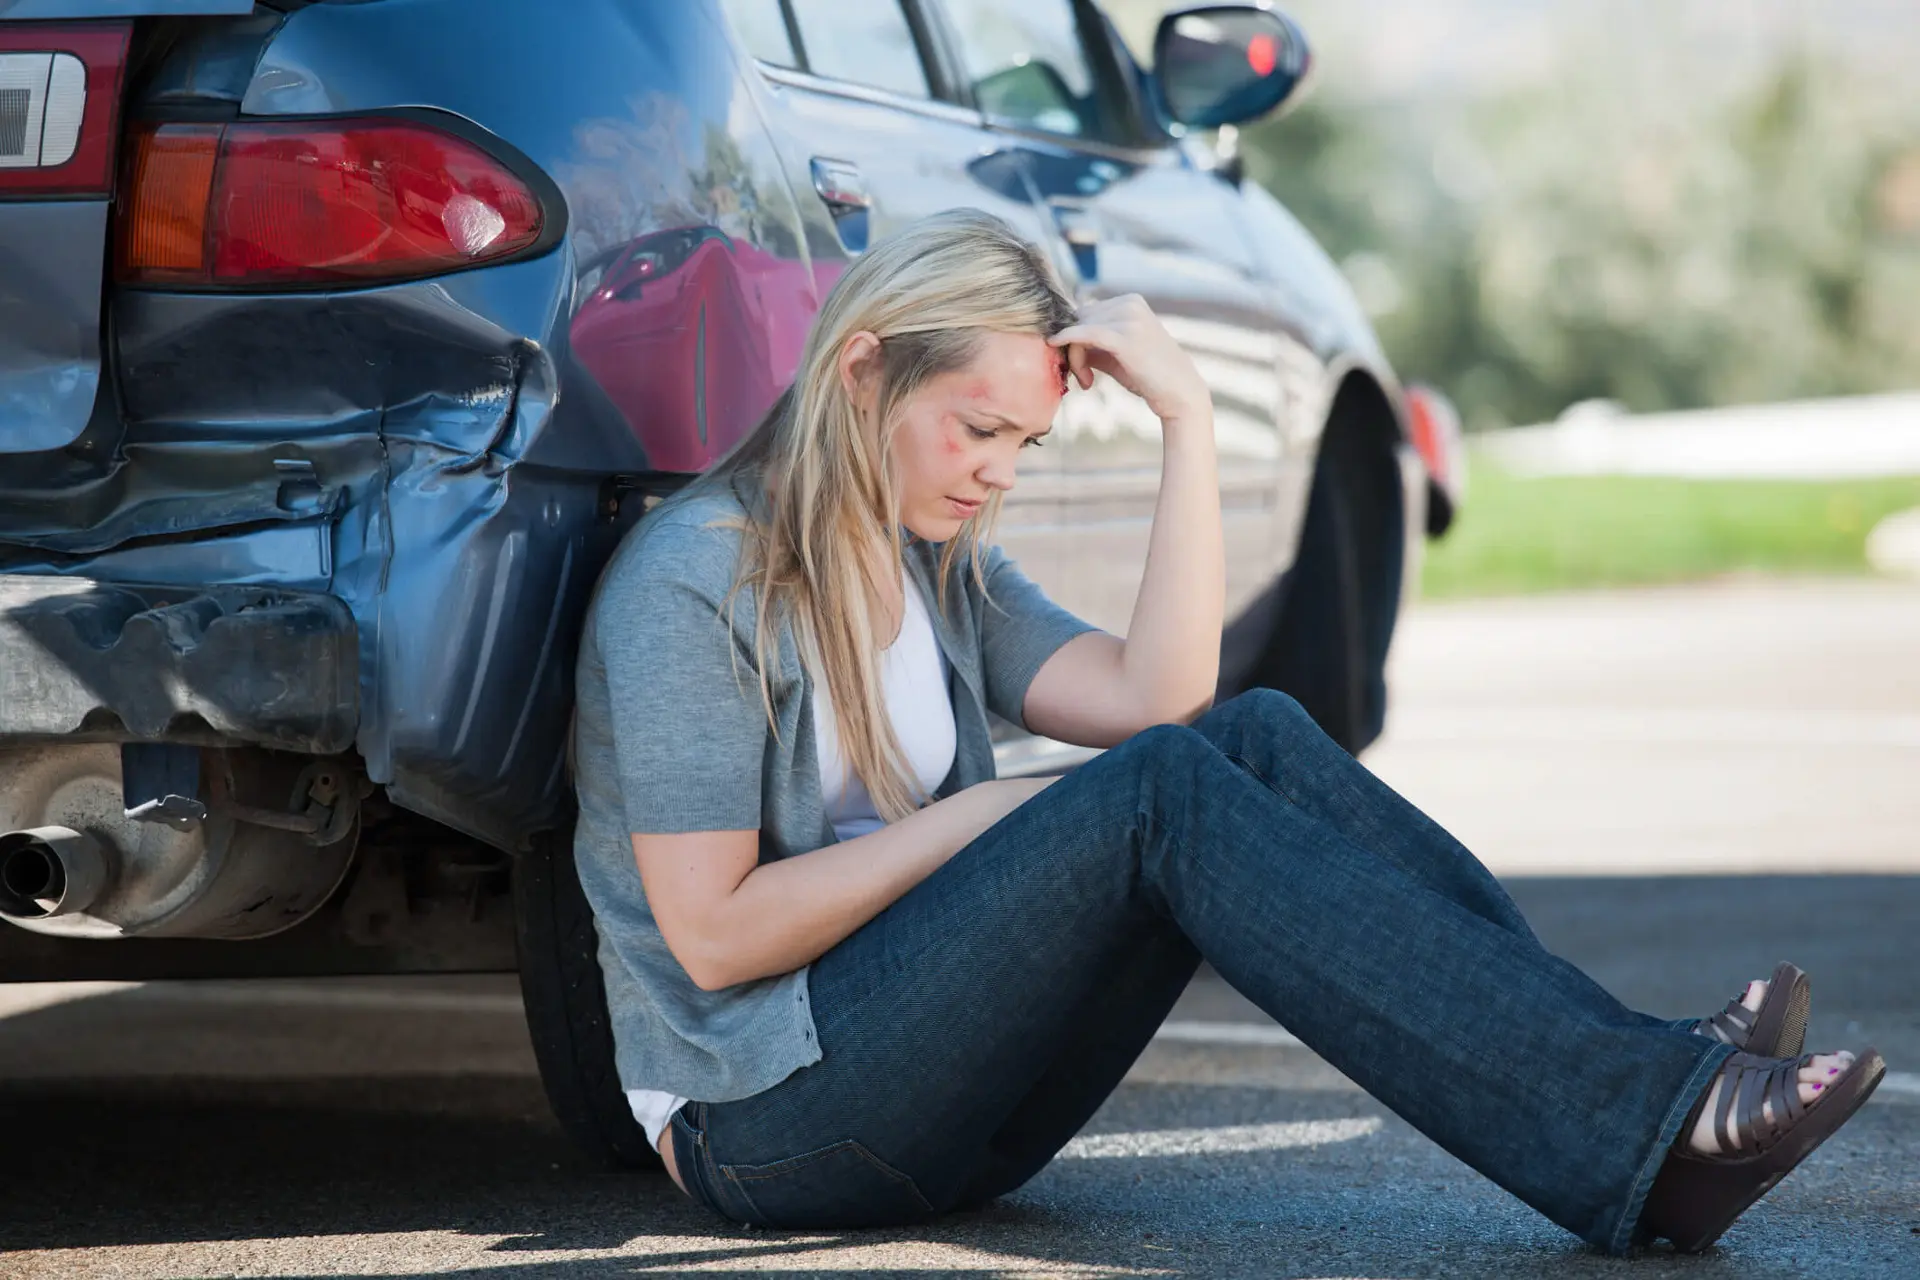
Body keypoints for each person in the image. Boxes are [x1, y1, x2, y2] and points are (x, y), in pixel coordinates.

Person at [568, 209, 1884, 1255]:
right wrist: (985, 815)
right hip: (763, 1120)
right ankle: (1644, 1117)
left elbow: (1163, 700)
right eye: (977, 429)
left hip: (941, 1104)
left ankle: (1628, 1083)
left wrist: (1188, 417)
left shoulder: (934, 561)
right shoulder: (698, 584)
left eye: (1023, 442)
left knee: (1243, 735)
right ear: (863, 373)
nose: (996, 474)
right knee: (1156, 797)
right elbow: (715, 933)